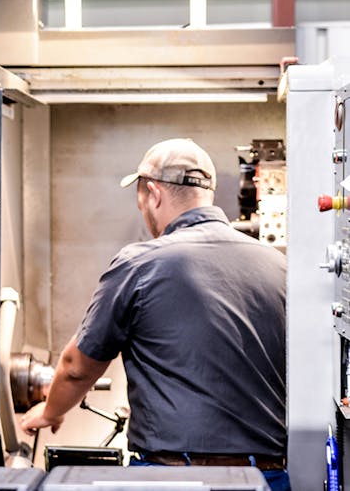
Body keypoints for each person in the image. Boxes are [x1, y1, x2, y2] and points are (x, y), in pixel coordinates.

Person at [21, 138, 290, 491]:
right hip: (267, 477)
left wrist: (51, 411)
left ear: (153, 194)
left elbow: (76, 367)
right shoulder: (278, 265)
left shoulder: (140, 264)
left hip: (173, 478)